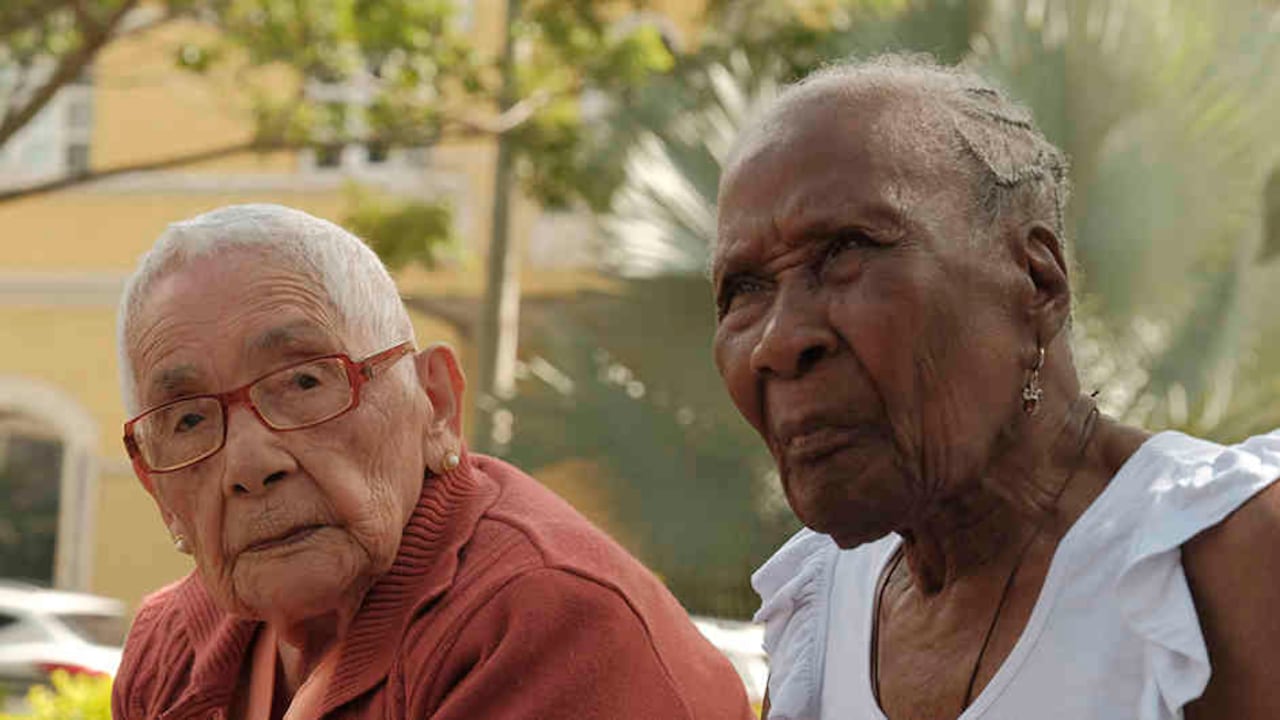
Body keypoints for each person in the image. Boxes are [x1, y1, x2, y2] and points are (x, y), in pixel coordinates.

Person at [711, 54, 1280, 720]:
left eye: (845, 251)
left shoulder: (1217, 562)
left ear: (1035, 282)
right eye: (744, 289)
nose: (777, 343)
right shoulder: (819, 609)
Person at [112, 204, 754, 719]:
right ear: (156, 489)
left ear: (437, 404)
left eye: (305, 383)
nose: (250, 464)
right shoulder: (172, 647)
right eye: (190, 420)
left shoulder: (544, 621)